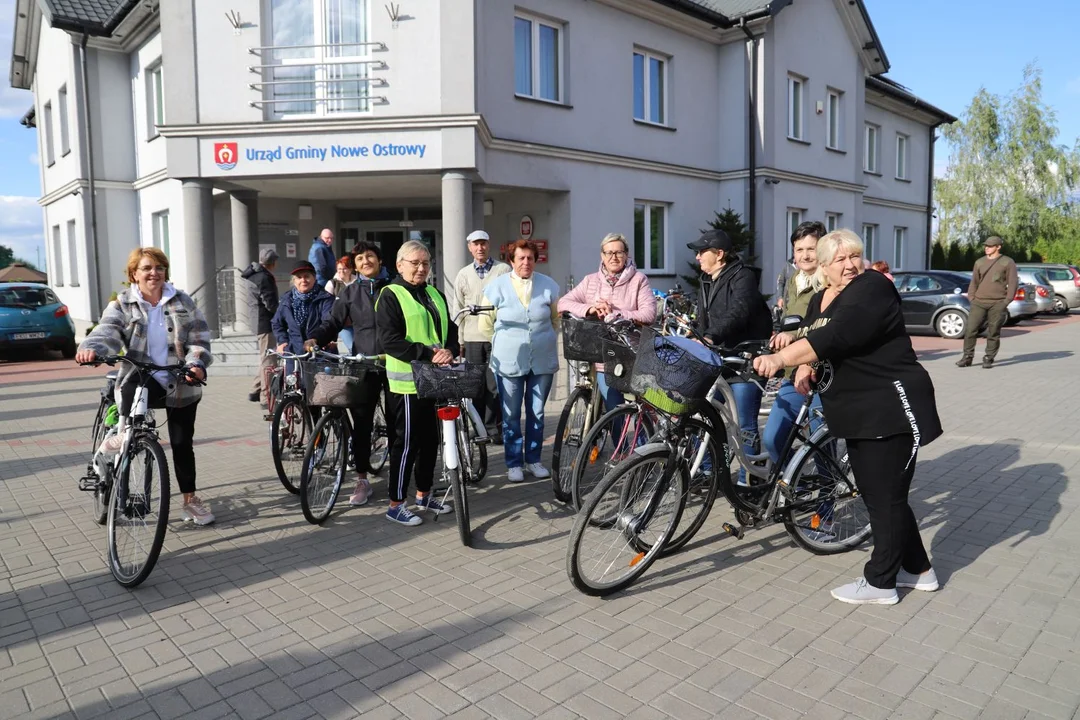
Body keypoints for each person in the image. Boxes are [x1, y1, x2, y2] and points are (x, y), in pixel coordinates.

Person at [754, 229, 943, 605]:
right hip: (857, 411)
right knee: (881, 494)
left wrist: (781, 360)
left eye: (854, 255)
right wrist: (807, 366)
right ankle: (918, 570)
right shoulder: (821, 299)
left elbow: (838, 334)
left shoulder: (872, 287)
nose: (850, 264)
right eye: (839, 260)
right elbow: (815, 337)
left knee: (884, 498)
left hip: (890, 405)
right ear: (823, 268)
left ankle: (880, 582)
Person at [75, 247, 216, 525]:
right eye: (147, 268)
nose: (154, 273)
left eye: (159, 268)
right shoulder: (122, 304)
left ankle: (190, 501)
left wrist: (197, 363)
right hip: (140, 375)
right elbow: (108, 330)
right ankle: (121, 439)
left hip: (179, 378)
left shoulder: (182, 301)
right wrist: (92, 347)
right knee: (130, 429)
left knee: (182, 443)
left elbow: (199, 339)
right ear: (134, 274)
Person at [376, 240, 460, 526]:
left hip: (434, 381)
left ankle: (424, 495)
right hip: (406, 385)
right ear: (400, 265)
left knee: (430, 442)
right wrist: (429, 353)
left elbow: (450, 328)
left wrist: (450, 348)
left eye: (425, 263)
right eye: (415, 263)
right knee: (406, 443)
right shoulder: (391, 294)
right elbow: (390, 341)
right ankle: (396, 503)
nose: (421, 268)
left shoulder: (434, 293)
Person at [307, 242, 393, 507]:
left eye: (370, 257)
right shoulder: (351, 292)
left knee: (398, 423)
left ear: (379, 260)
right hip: (364, 363)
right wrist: (315, 339)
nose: (365, 261)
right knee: (362, 425)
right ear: (355, 266)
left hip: (395, 363)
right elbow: (332, 322)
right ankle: (362, 479)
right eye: (360, 259)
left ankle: (401, 476)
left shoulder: (394, 288)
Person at [687, 229, 772, 484]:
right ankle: (706, 470)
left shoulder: (742, 276)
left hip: (745, 359)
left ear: (720, 254)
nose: (698, 257)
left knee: (744, 424)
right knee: (701, 413)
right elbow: (705, 320)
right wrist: (699, 338)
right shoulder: (707, 280)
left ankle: (750, 479)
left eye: (703, 251)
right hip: (719, 358)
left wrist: (710, 337)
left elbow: (739, 311)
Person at [479, 240, 561, 483]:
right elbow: (485, 324)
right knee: (511, 413)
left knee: (536, 411)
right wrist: (506, 343)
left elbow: (556, 320)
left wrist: (541, 338)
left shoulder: (549, 286)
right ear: (511, 261)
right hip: (508, 360)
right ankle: (514, 462)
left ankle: (533, 459)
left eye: (530, 258)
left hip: (542, 359)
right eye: (521, 258)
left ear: (535, 260)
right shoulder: (496, 287)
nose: (526, 262)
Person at [558, 232, 656, 412]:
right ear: (602, 255)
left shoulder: (638, 280)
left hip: (631, 354)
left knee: (638, 410)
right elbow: (563, 303)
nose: (614, 257)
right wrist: (590, 309)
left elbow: (649, 314)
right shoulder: (591, 280)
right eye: (609, 252)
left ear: (627, 254)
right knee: (613, 409)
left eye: (618, 252)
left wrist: (616, 314)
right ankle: (619, 439)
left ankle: (643, 440)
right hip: (601, 356)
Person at [762, 221, 825, 463]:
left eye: (812, 249)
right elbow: (791, 319)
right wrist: (780, 334)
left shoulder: (828, 282)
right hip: (793, 371)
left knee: (820, 440)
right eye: (799, 249)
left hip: (821, 372)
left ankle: (826, 493)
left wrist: (795, 336)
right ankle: (796, 482)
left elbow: (824, 327)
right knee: (773, 438)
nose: (805, 255)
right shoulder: (794, 280)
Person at [453, 230, 511, 441]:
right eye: (475, 244)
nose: (480, 248)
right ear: (469, 247)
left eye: (483, 244)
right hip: (472, 337)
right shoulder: (463, 274)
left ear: (489, 245)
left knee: (495, 384)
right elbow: (457, 308)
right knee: (476, 385)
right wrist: (459, 340)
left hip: (497, 337)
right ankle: (478, 429)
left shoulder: (503, 269)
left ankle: (494, 428)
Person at [958, 236, 1018, 369]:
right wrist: (971, 297)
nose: (987, 248)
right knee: (970, 330)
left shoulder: (1007, 262)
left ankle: (988, 357)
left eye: (990, 246)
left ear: (998, 247)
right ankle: (967, 357)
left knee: (993, 331)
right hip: (978, 301)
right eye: (986, 246)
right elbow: (974, 282)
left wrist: (1006, 301)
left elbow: (1013, 283)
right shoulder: (979, 262)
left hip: (997, 303)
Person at [271, 261, 335, 355]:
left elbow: (329, 322)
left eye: (307, 276)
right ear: (294, 281)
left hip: (320, 352)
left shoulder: (326, 298)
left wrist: (325, 339)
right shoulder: (287, 300)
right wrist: (283, 341)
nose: (303, 280)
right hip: (294, 354)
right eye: (299, 277)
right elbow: (277, 323)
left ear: (314, 278)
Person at [243, 248, 280, 404]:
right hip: (265, 323)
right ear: (272, 263)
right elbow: (270, 304)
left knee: (266, 358)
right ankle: (267, 397)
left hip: (258, 321)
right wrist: (281, 315)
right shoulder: (263, 278)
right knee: (269, 361)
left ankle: (255, 390)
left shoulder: (255, 275)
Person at [325, 253, 358, 353]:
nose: (341, 272)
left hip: (358, 322)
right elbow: (327, 306)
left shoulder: (358, 283)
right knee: (352, 347)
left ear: (351, 269)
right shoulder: (332, 284)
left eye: (344, 269)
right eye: (339, 269)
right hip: (343, 323)